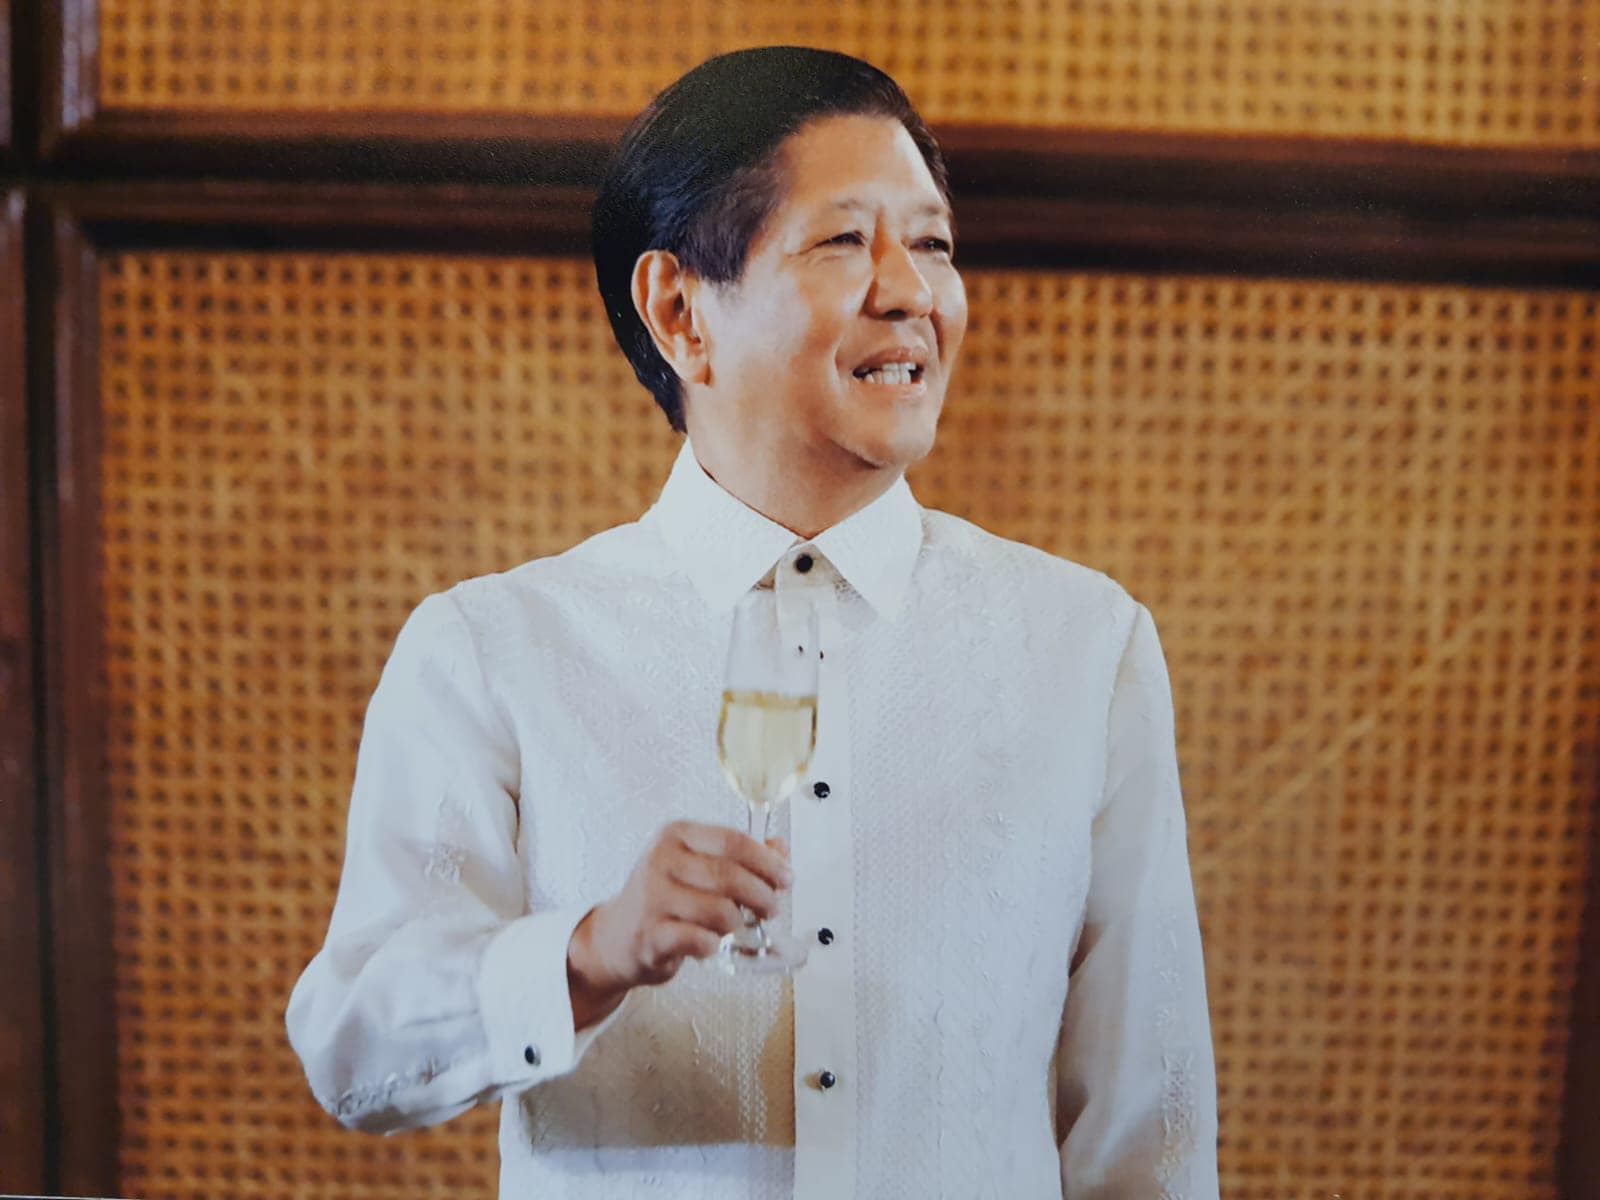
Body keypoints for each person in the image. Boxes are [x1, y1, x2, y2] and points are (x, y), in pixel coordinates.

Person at [286, 45, 1220, 1199]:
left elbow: (1147, 1130)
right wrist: (586, 955)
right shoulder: (492, 650)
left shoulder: (1084, 644)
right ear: (679, 311)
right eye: (845, 241)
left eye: (932, 244)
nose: (912, 292)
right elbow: (356, 1052)